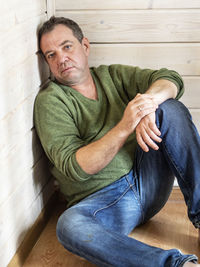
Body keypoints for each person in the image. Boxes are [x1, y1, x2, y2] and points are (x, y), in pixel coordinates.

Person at [34, 16, 200, 267]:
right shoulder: (51, 101)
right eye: (51, 55)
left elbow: (169, 78)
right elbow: (75, 166)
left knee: (170, 109)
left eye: (67, 46)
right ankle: (175, 265)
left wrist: (148, 106)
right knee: (68, 226)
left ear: (85, 46)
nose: (61, 59)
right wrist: (125, 125)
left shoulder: (111, 76)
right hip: (106, 206)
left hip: (148, 180)